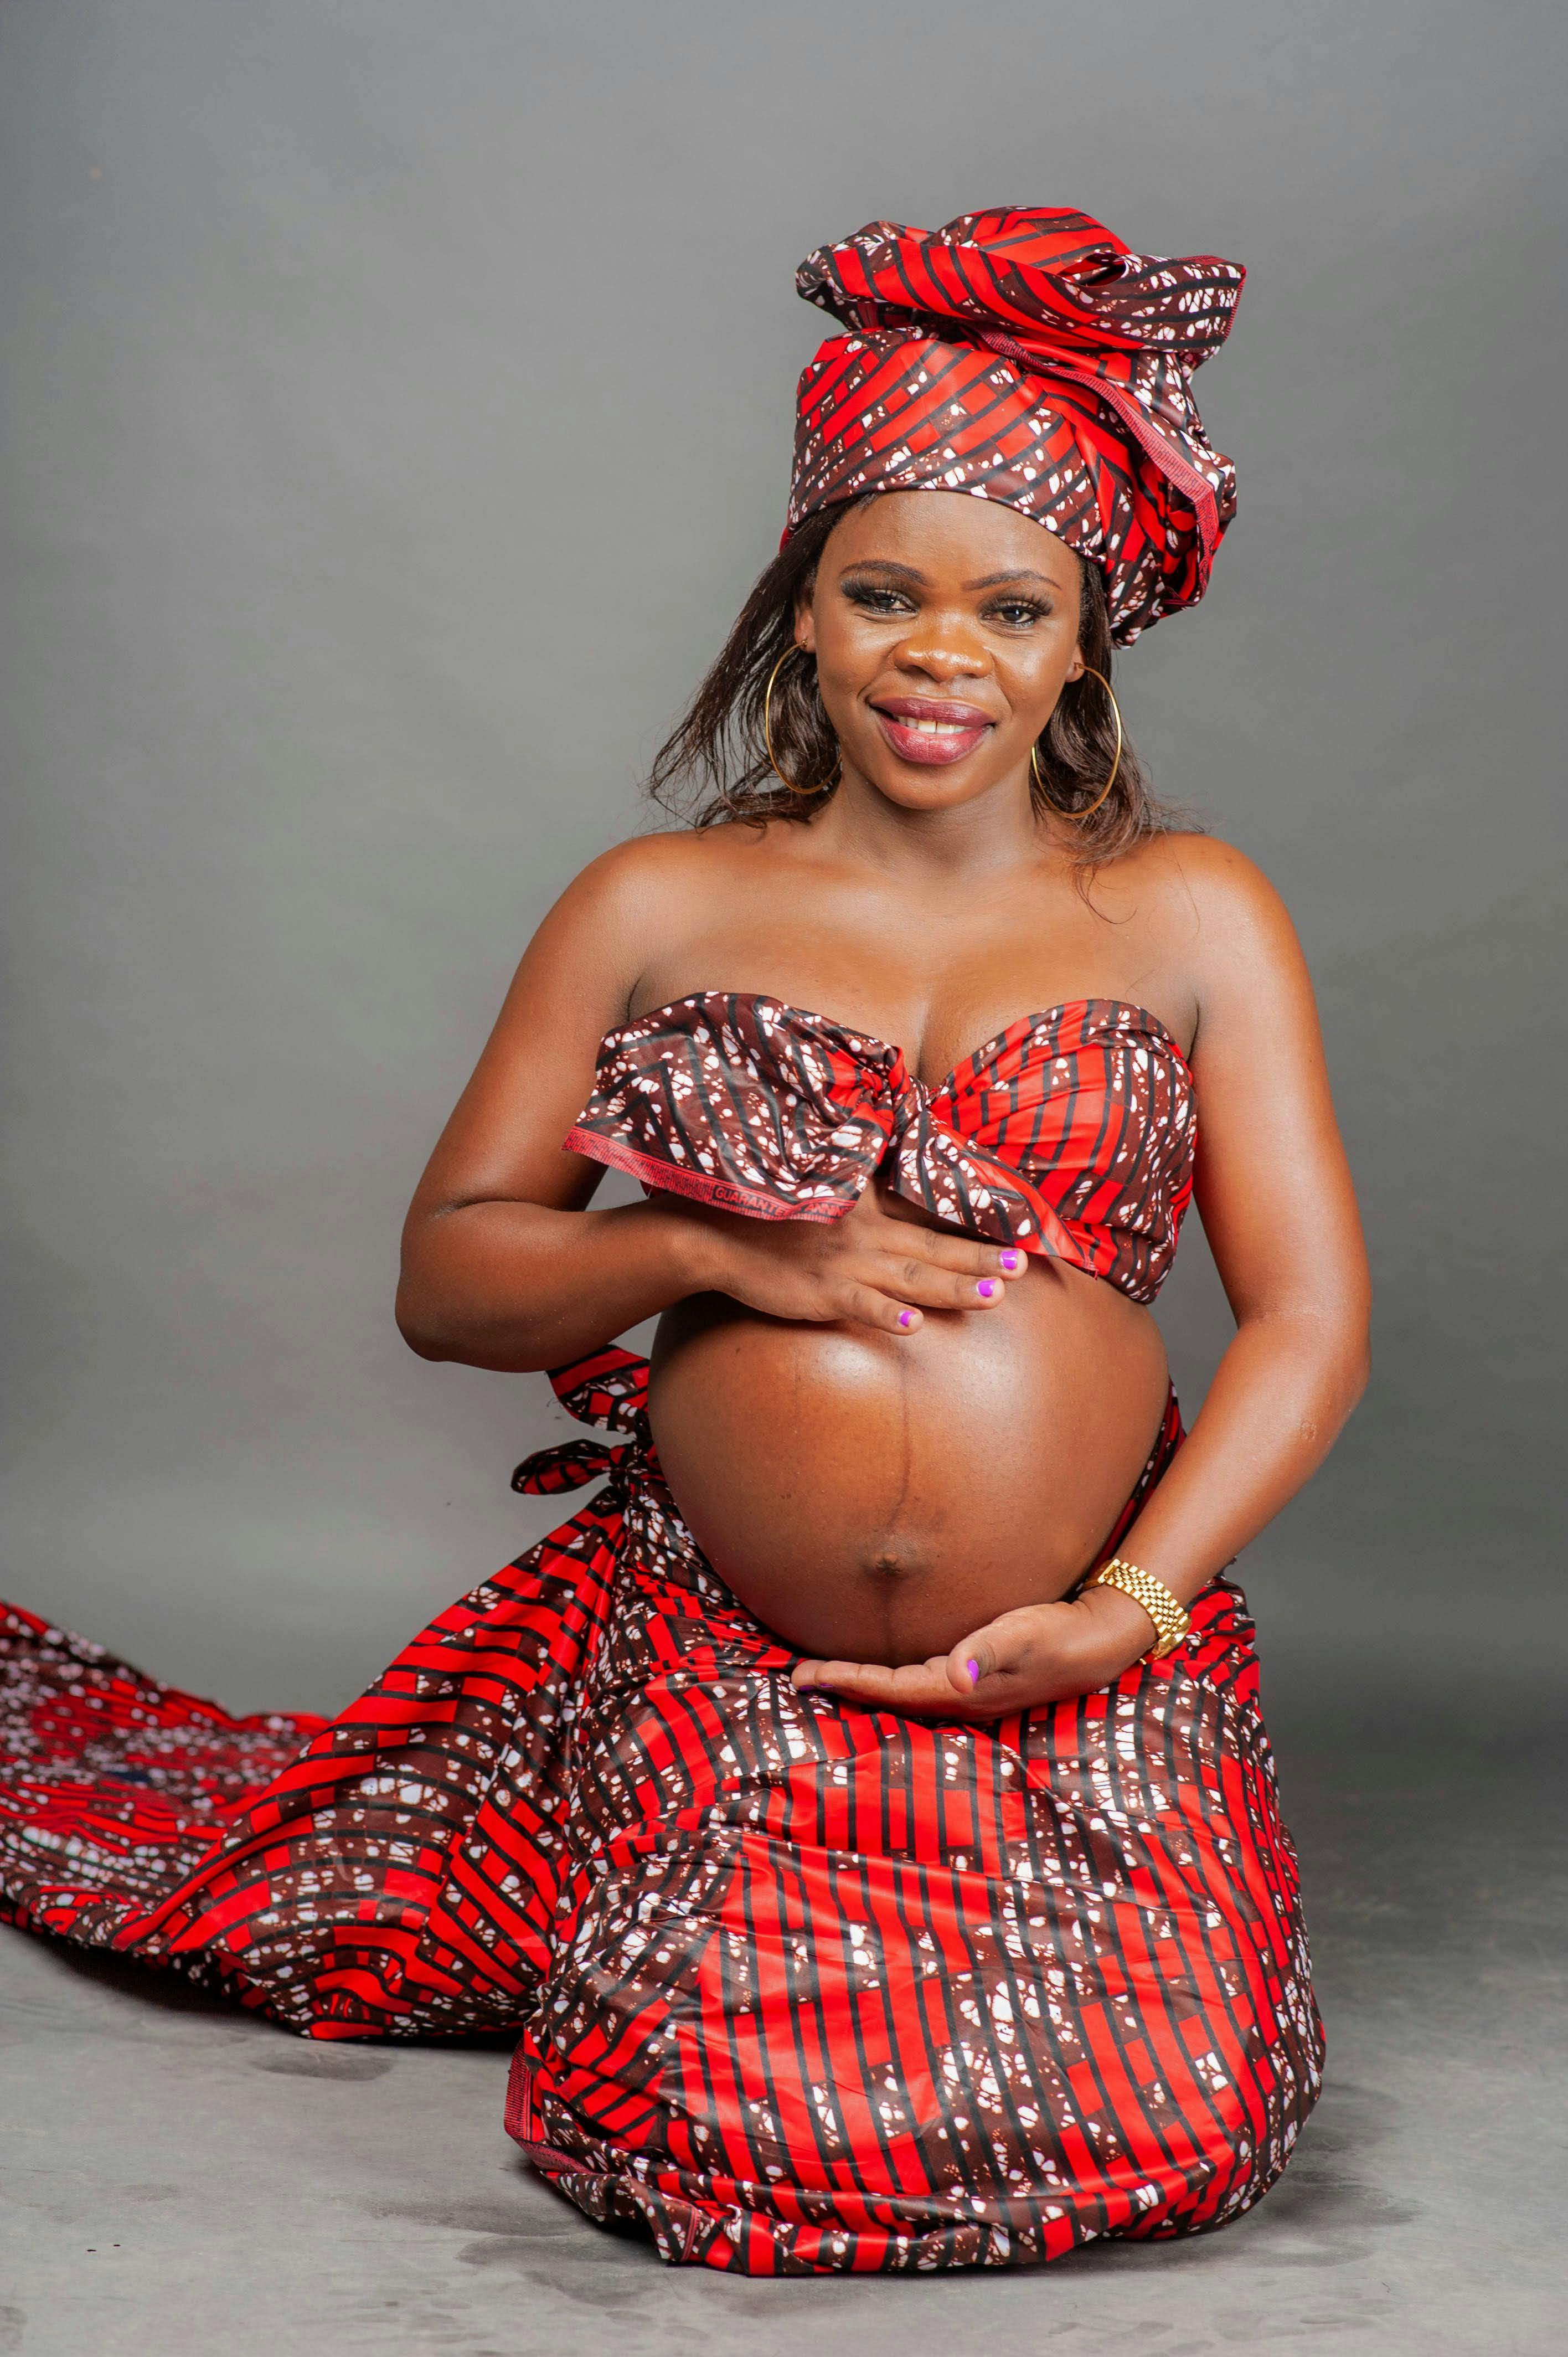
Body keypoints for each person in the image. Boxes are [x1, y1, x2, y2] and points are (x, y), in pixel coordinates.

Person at [0, 208, 1369, 2273]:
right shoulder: (656, 905)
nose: (940, 650)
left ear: (1083, 639)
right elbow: (450, 1280)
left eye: (1009, 608)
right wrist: (721, 1259)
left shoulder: (1195, 915)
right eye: (883, 592)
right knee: (710, 2146)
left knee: (1175, 2131)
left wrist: (1141, 1606)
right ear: (801, 614)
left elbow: (1311, 1318)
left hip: (1084, 1667)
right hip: (734, 1678)